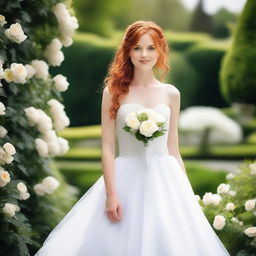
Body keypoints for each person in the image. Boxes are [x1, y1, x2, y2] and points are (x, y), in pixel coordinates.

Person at [35, 20, 230, 256]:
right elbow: (107, 148)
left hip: (165, 178)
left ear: (160, 51)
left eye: (150, 48)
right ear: (127, 51)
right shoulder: (114, 92)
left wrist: (185, 193)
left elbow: (173, 149)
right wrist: (111, 194)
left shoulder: (171, 94)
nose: (144, 54)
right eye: (137, 48)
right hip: (126, 177)